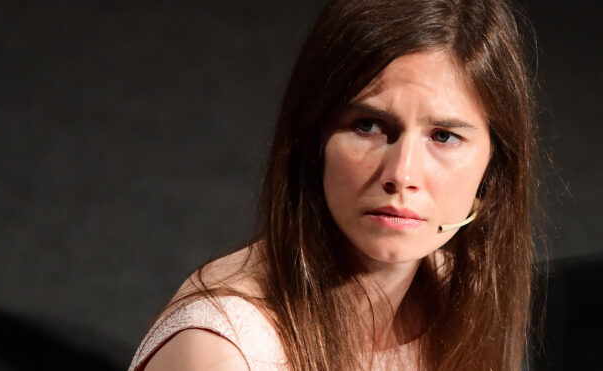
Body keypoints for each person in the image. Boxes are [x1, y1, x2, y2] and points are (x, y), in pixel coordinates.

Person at [129, 0, 541, 369]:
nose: (402, 174)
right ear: (313, 138)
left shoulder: (457, 289)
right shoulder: (225, 353)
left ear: (494, 168)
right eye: (369, 126)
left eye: (443, 137)